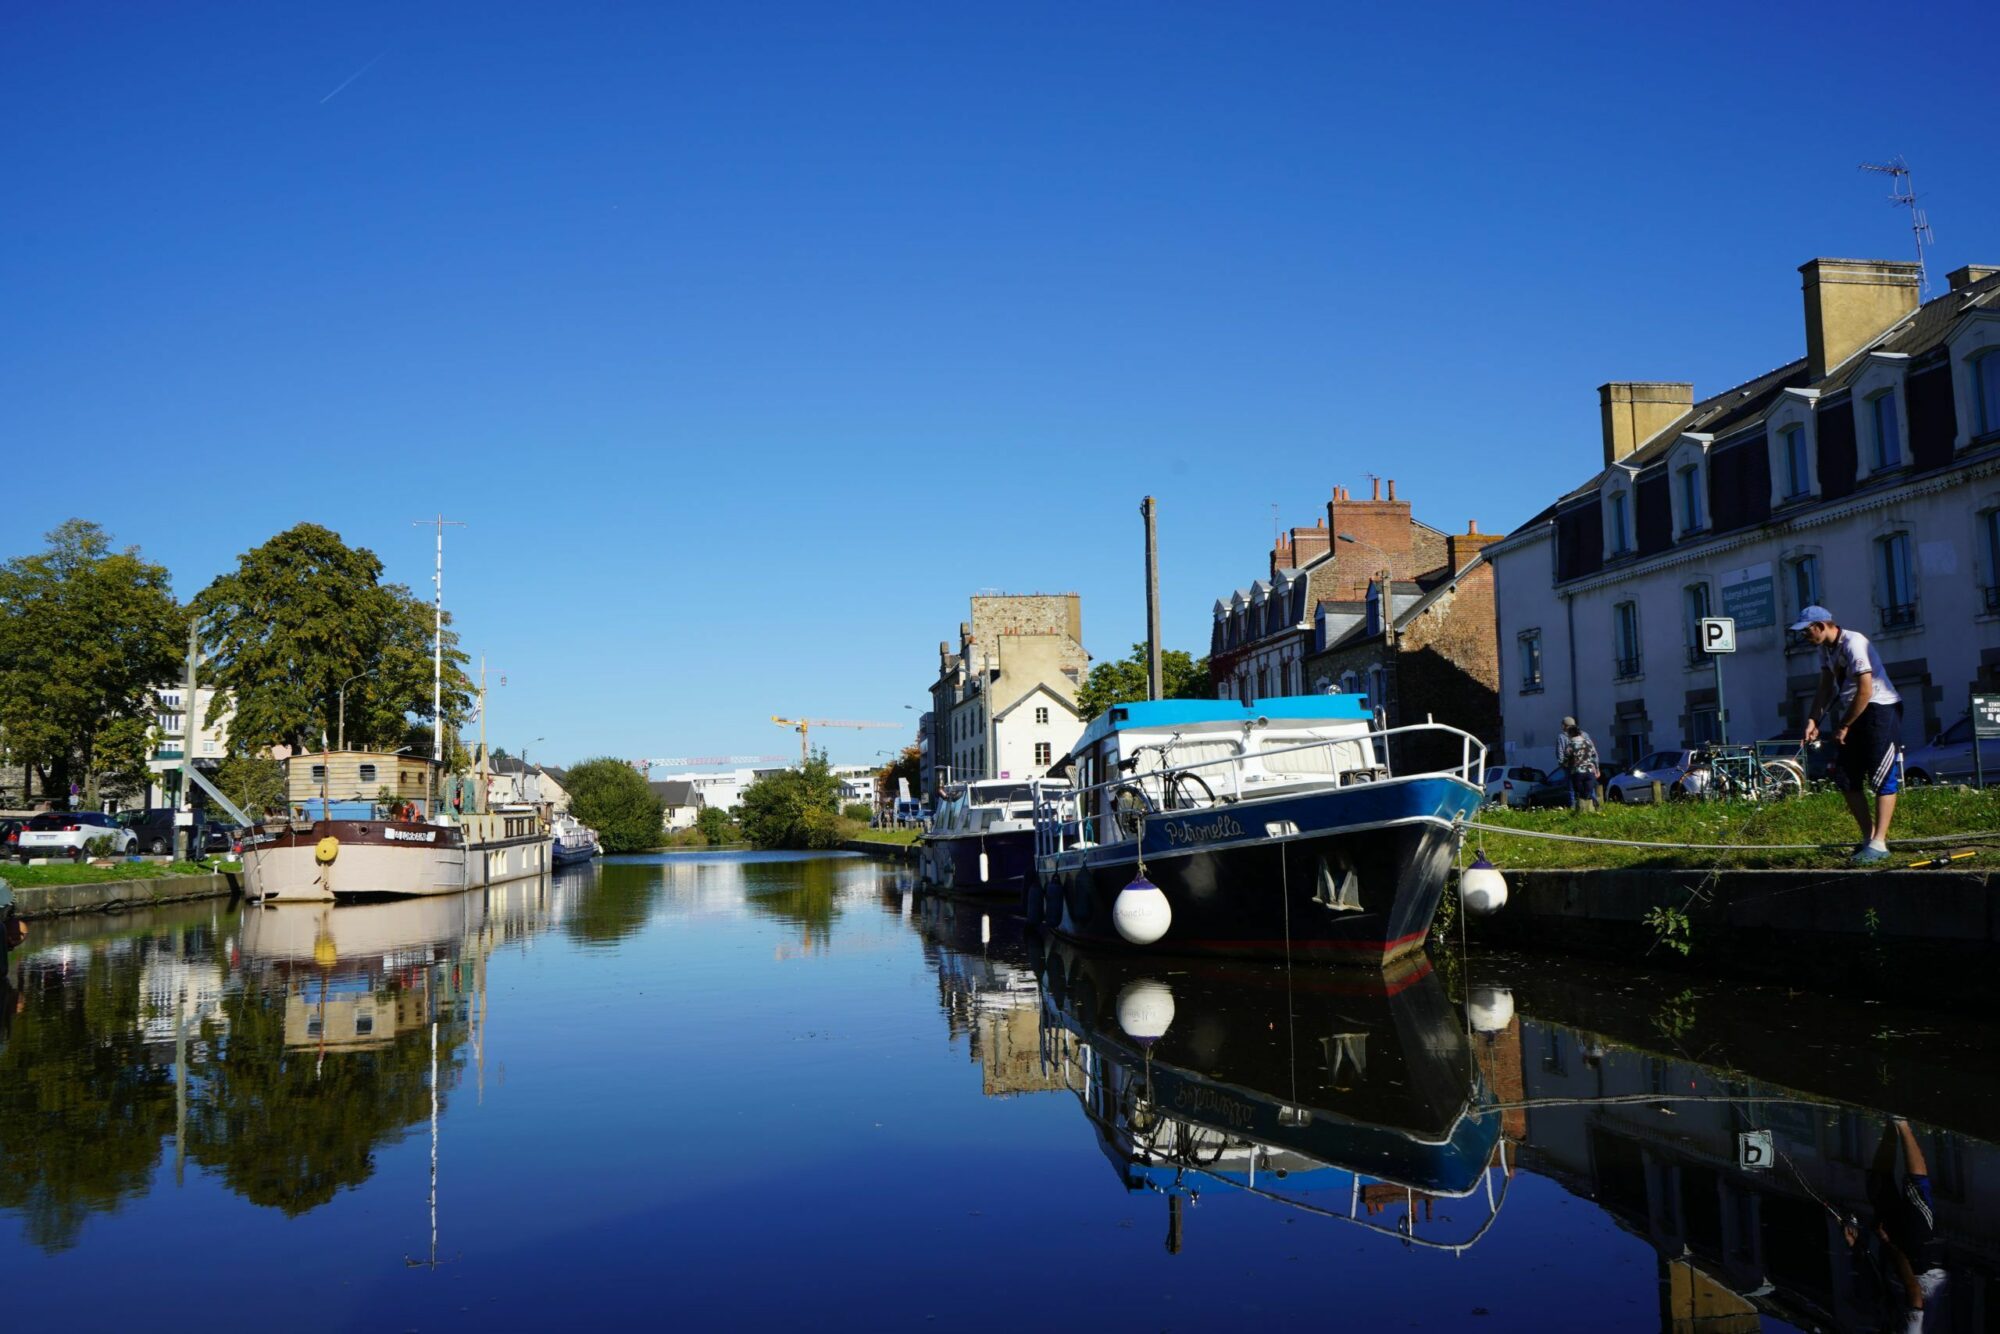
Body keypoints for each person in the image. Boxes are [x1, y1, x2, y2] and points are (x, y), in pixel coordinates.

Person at [1796, 605, 1904, 863]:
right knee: (1846, 777)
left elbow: (1865, 691)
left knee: (1881, 775)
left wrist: (1844, 725)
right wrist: (1813, 719)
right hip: (1853, 712)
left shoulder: (1855, 642)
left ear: (1820, 626)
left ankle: (1880, 842)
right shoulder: (1825, 650)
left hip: (1880, 709)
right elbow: (1824, 687)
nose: (1803, 637)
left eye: (1806, 632)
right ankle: (1868, 838)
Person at [1844, 1116, 1948, 1331]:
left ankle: (1890, 1127)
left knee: (1878, 1184)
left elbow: (1876, 1285)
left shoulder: (1884, 1325)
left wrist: (1857, 1248)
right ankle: (1902, 1123)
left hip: (1897, 1259)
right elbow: (1914, 1293)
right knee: (1916, 1190)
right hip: (1921, 1264)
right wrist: (1889, 1244)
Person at [1556, 716, 1600, 810]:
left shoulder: (1562, 737)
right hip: (1588, 768)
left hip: (1572, 767)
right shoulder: (1585, 735)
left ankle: (1575, 808)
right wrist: (1596, 768)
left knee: (1572, 789)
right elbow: (1593, 753)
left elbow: (1560, 754)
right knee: (1589, 788)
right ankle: (1594, 806)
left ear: (1565, 726)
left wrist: (1563, 764)